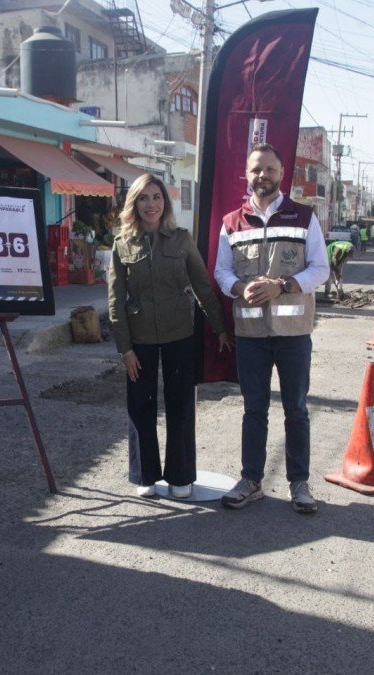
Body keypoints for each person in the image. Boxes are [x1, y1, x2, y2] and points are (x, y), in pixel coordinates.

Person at [213, 143, 329, 514]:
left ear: (282, 174)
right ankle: (251, 481)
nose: (262, 176)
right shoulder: (232, 222)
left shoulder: (304, 217)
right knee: (254, 410)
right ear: (246, 176)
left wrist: (282, 286)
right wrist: (237, 287)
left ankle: (299, 483)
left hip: (293, 334)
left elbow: (320, 269)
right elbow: (221, 271)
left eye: (270, 170)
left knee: (295, 408)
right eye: (256, 170)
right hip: (251, 337)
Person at [108, 174, 232, 499]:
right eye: (144, 198)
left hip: (180, 333)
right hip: (139, 339)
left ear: (165, 202)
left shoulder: (181, 239)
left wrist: (219, 327)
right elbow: (114, 301)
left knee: (180, 405)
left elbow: (202, 286)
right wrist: (125, 350)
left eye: (157, 197)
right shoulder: (121, 244)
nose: (151, 204)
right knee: (140, 405)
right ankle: (145, 474)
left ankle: (181, 475)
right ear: (134, 204)